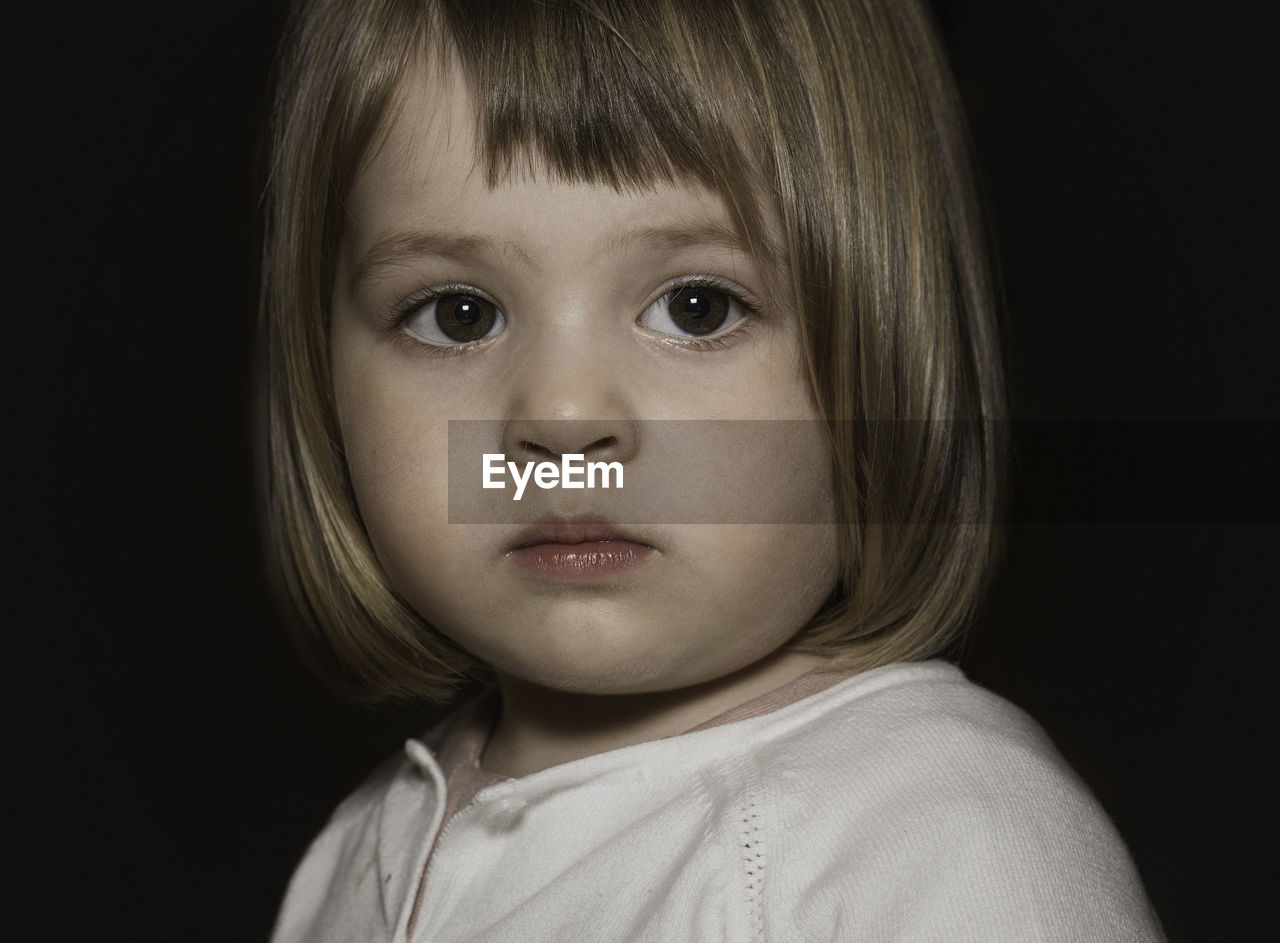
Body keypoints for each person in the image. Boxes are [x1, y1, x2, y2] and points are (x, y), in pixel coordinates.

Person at [262, 0, 1164, 939]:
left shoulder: (947, 841)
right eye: (459, 314)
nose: (566, 422)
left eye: (696, 308)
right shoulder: (356, 853)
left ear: (881, 352)